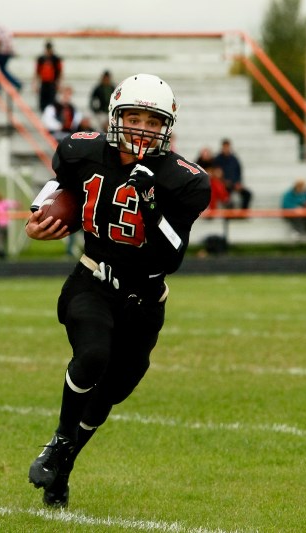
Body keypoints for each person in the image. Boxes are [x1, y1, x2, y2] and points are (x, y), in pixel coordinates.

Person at [24, 73, 211, 508]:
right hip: (91, 280)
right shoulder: (81, 149)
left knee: (112, 393)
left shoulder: (184, 180)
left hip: (145, 300)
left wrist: (148, 200)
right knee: (92, 356)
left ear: (167, 125)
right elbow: (62, 187)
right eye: (134, 116)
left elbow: (172, 257)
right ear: (115, 115)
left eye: (153, 119)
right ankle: (58, 442)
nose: (142, 127)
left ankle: (63, 467)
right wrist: (37, 215)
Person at [213, 139, 251, 210]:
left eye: (228, 147)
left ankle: (243, 214)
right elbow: (216, 174)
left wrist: (238, 182)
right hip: (224, 185)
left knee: (247, 194)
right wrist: (223, 182)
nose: (226, 149)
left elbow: (239, 172)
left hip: (234, 184)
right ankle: (229, 216)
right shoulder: (217, 159)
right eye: (225, 147)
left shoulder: (234, 159)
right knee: (227, 198)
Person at [33, 41, 62, 111]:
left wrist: (59, 84)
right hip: (43, 83)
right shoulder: (41, 59)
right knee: (42, 102)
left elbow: (59, 72)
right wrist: (35, 84)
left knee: (51, 103)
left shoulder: (56, 59)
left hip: (52, 83)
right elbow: (37, 72)